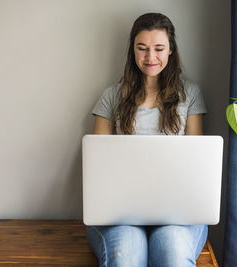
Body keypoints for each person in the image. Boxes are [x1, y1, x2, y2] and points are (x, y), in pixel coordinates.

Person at [86, 13, 208, 266]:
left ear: (171, 50)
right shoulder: (112, 95)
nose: (150, 58)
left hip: (178, 213)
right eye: (142, 49)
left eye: (159, 49)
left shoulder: (191, 94)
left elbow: (197, 162)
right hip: (120, 213)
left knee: (173, 252)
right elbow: (98, 163)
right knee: (125, 255)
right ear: (132, 50)